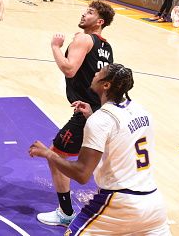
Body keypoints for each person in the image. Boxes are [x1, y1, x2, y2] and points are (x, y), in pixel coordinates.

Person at [29, 64, 170, 235]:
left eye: (99, 73)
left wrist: (49, 154)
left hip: (119, 202)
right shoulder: (141, 111)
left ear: (106, 85)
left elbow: (82, 174)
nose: (95, 73)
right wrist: (91, 116)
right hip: (153, 204)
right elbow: (119, 134)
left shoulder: (101, 120)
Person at [37, 0, 115, 227]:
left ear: (99, 21)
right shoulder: (106, 46)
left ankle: (66, 212)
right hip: (103, 112)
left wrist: (56, 47)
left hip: (86, 113)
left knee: (56, 156)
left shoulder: (83, 39)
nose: (84, 14)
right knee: (101, 162)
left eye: (89, 12)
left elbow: (69, 69)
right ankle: (111, 209)